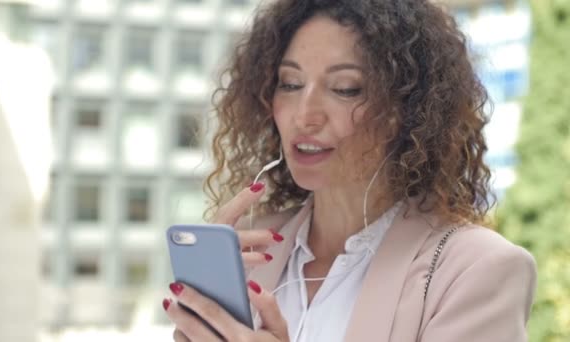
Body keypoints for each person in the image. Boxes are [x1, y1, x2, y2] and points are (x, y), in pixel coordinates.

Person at [161, 0, 537, 341]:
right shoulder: (247, 253)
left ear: (404, 111)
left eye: (345, 89)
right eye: (289, 84)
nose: (304, 115)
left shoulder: (476, 271)